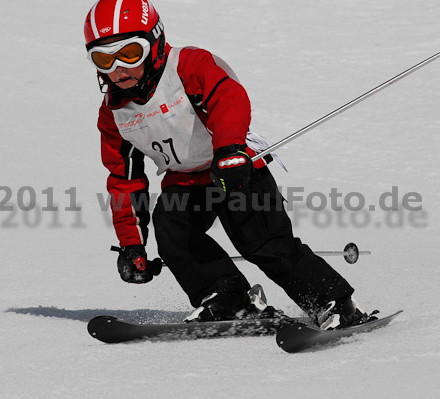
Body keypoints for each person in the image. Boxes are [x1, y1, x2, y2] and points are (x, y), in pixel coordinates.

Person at [84, 0, 370, 329]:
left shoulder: (187, 65)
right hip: (186, 180)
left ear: (156, 42)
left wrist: (230, 149)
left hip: (234, 167)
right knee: (172, 227)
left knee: (262, 242)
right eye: (104, 59)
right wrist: (131, 244)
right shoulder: (114, 114)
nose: (118, 68)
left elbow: (228, 97)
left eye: (130, 54)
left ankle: (335, 303)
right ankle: (227, 298)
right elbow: (123, 179)